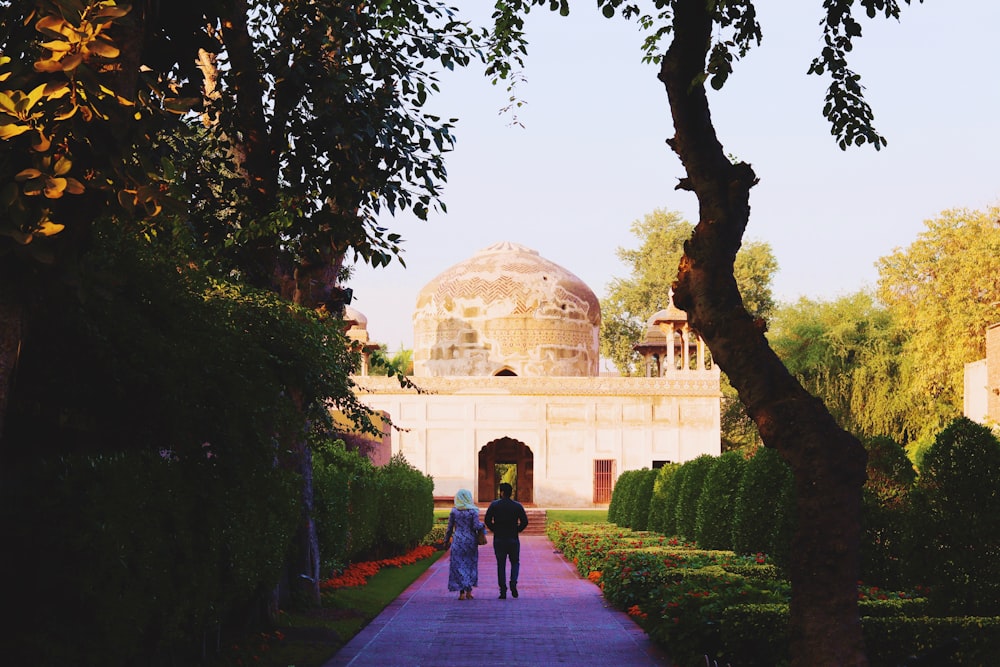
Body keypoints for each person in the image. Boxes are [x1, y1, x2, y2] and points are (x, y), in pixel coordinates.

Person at [484, 482, 528, 599]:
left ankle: (502, 589)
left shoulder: (494, 505)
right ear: (510, 492)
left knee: (501, 564)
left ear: (502, 492)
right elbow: (525, 522)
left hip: (499, 538)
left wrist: (495, 529)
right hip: (513, 538)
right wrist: (517, 530)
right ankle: (513, 582)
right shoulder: (517, 506)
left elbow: (487, 520)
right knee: (515, 562)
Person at [444, 488, 485, 600]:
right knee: (470, 564)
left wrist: (446, 540)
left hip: (458, 540)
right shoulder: (473, 511)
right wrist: (483, 526)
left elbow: (449, 528)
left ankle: (461, 592)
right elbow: (476, 526)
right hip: (470, 541)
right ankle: (469, 592)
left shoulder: (454, 511)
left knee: (458, 565)